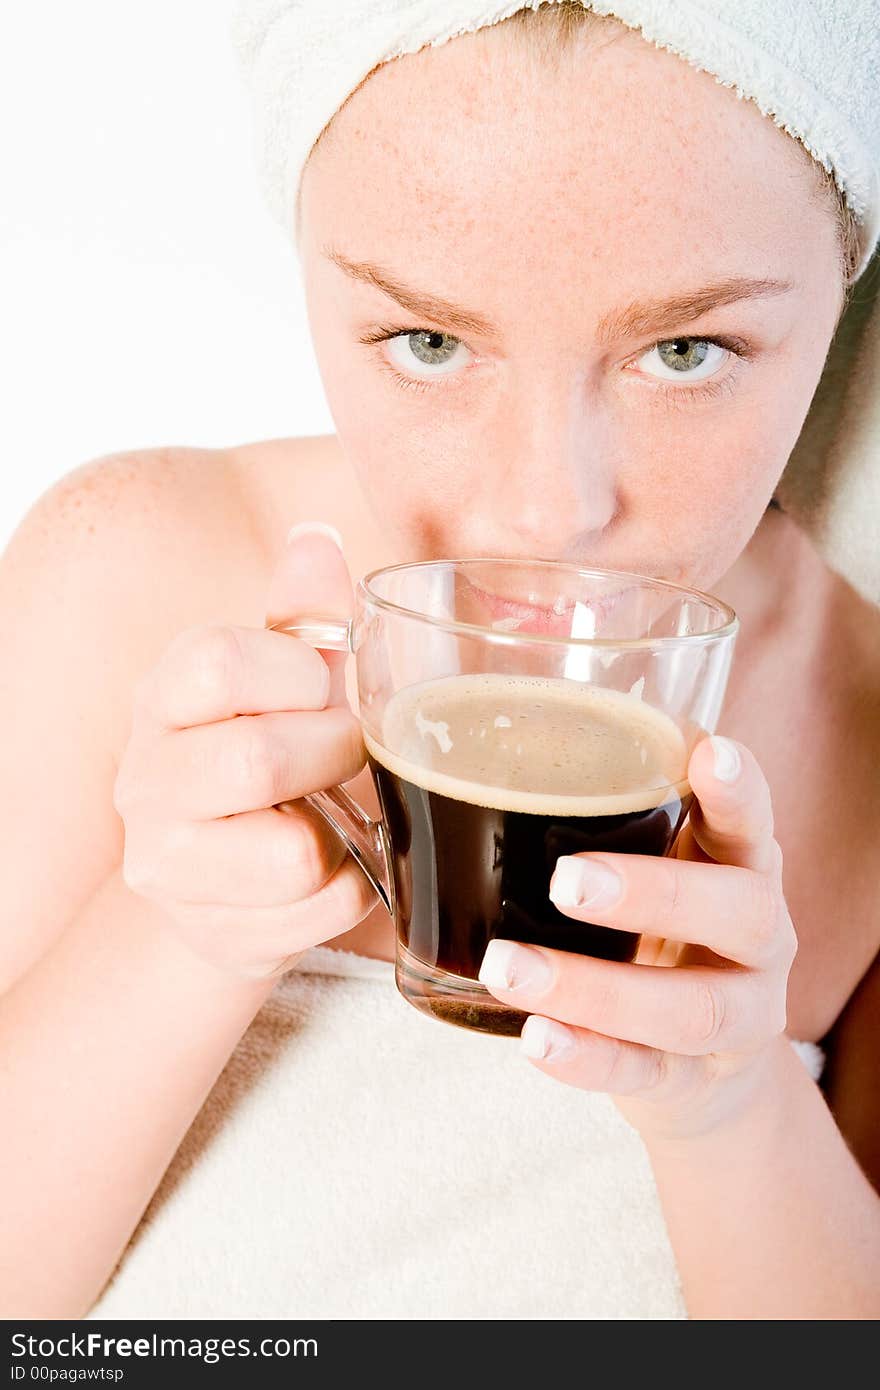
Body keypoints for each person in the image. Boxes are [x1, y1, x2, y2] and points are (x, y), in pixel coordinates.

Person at [1, 1, 878, 1320]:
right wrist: (180, 934)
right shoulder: (126, 577)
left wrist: (735, 1109)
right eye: (429, 343)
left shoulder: (861, 730)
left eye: (687, 352)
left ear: (843, 288)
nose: (545, 511)